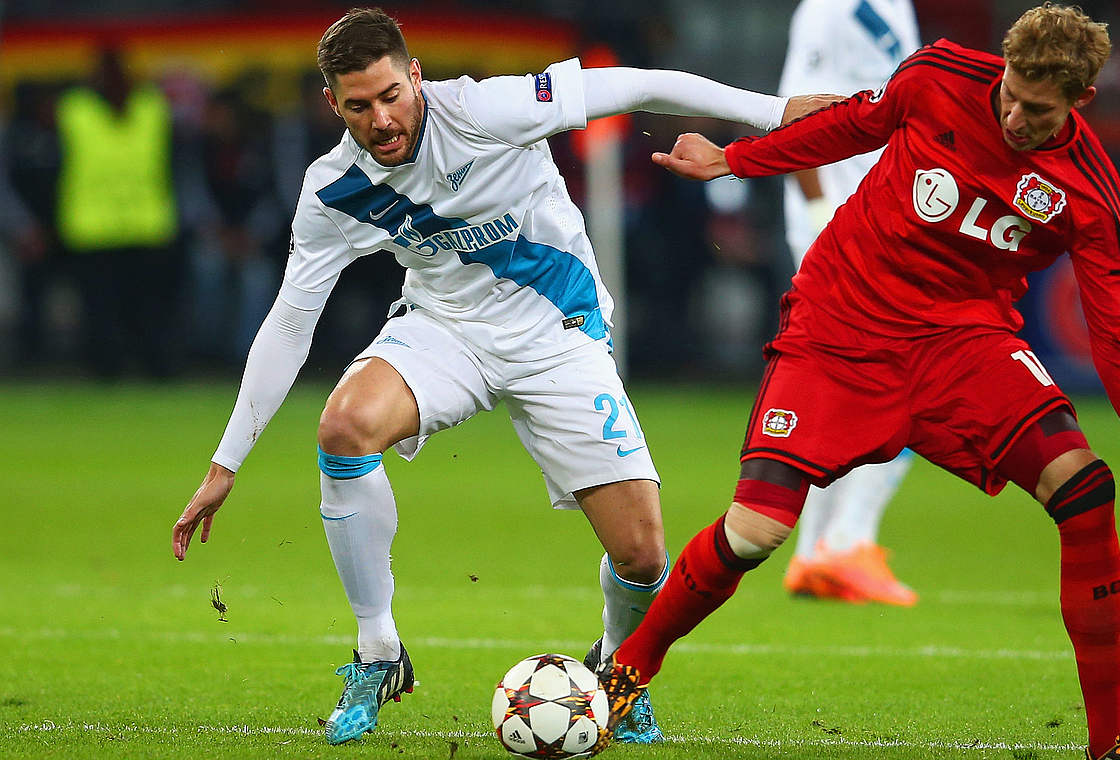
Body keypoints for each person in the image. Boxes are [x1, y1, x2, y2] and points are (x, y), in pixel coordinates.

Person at [168, 7, 830, 748]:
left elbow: (639, 85)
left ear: (414, 75)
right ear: (334, 104)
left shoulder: (485, 109)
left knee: (643, 555)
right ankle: (377, 651)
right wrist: (226, 463)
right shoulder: (334, 190)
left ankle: (616, 669)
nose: (382, 118)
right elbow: (291, 321)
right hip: (444, 330)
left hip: (558, 334)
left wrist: (771, 112)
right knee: (344, 426)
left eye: (392, 95)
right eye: (359, 105)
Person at [597, 5, 1120, 760]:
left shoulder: (1090, 196)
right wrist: (737, 161)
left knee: (1086, 488)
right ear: (1002, 66)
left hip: (963, 344)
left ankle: (1110, 742)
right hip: (840, 323)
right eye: (1011, 95)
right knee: (754, 533)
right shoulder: (940, 77)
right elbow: (854, 125)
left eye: (1038, 110)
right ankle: (626, 673)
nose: (1016, 116)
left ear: (1081, 101)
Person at [777, 0, 922, 607]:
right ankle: (846, 543)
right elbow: (792, 116)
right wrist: (818, 220)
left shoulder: (890, 6)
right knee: (915, 379)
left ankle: (816, 554)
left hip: (884, 215)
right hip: (846, 223)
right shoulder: (835, 9)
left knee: (847, 392)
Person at [55, 46, 183, 379]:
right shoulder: (145, 106)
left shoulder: (78, 109)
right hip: (112, 225)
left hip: (123, 224)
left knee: (138, 309)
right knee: (115, 309)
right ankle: (125, 370)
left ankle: (139, 369)